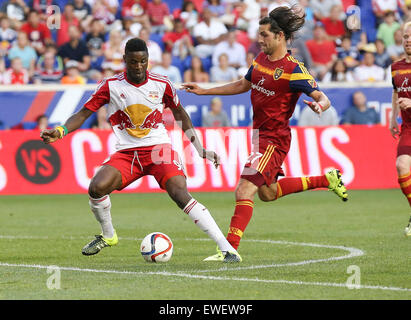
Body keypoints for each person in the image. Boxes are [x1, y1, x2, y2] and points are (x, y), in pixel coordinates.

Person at [40, 38, 241, 262]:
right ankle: (108, 236)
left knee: (179, 193)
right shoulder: (110, 85)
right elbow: (83, 114)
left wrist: (200, 148)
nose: (138, 67)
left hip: (158, 150)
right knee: (96, 188)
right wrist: (60, 131)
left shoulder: (162, 83)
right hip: (127, 153)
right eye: (133, 62)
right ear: (125, 60)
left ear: (148, 61)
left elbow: (180, 115)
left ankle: (226, 249)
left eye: (143, 61)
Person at [182, 6, 348, 260]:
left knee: (243, 190)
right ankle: (327, 180)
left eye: (264, 35)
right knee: (268, 193)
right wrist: (204, 91)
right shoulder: (259, 60)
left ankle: (229, 249)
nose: (259, 40)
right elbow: (242, 84)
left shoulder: (294, 69)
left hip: (274, 138)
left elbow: (322, 96)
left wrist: (319, 105)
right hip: (259, 137)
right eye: (259, 35)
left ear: (280, 36)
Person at [389, 21, 411, 236]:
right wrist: (392, 118)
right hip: (409, 127)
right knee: (401, 165)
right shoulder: (396, 67)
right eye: (405, 37)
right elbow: (396, 92)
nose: (408, 40)